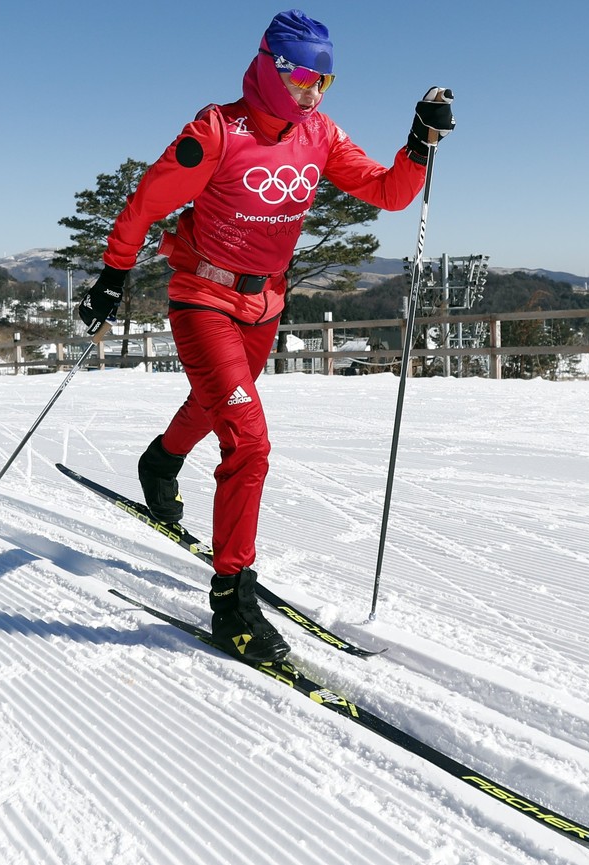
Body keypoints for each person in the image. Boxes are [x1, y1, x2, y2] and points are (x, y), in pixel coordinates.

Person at [77, 9, 454, 663]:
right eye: (306, 76)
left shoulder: (320, 134)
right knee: (248, 439)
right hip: (202, 297)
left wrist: (417, 143)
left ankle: (160, 460)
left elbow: (389, 193)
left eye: (325, 82)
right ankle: (233, 601)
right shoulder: (217, 131)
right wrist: (111, 276)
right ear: (272, 67)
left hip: (265, 301)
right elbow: (145, 203)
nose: (314, 93)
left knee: (220, 400)